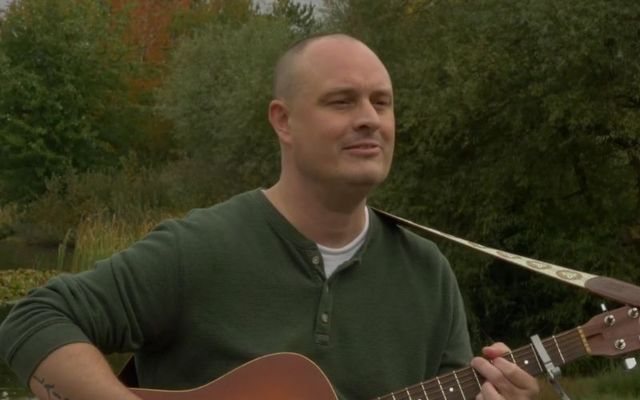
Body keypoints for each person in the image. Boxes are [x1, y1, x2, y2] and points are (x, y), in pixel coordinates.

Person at [0, 33, 539, 400]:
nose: (370, 120)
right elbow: (31, 320)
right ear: (283, 121)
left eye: (382, 102)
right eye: (342, 102)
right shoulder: (200, 249)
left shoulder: (427, 274)